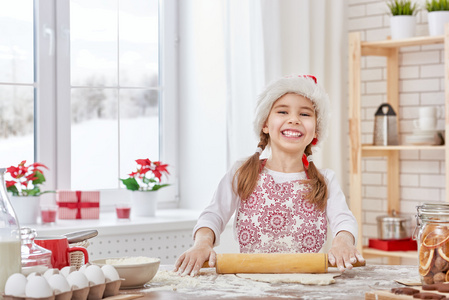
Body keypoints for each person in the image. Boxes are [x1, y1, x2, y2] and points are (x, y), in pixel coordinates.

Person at [174, 74, 365, 276]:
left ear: (316, 130)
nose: (294, 119)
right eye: (283, 111)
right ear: (265, 124)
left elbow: (344, 220)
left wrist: (342, 242)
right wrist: (202, 243)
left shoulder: (325, 180)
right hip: (251, 285)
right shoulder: (243, 172)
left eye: (305, 114)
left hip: (307, 288)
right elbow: (213, 215)